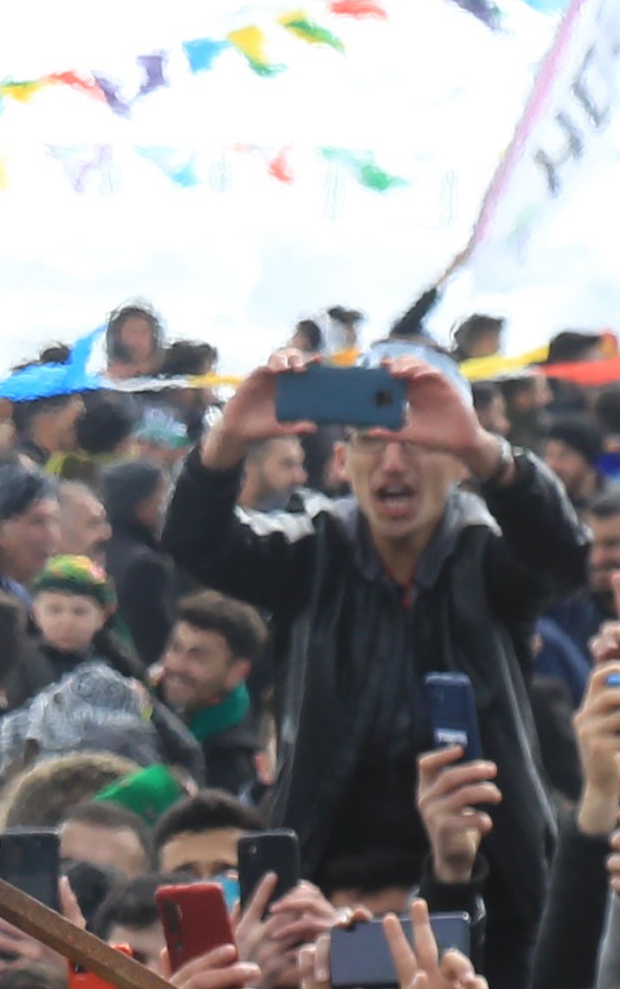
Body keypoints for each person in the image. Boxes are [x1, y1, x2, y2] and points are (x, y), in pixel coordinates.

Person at [169, 349, 577, 933]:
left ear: (458, 459)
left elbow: (562, 556)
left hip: (492, 874)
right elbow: (199, 544)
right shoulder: (311, 551)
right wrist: (227, 440)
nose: (393, 463)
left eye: (418, 440)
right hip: (323, 878)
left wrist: (489, 452)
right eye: (371, 442)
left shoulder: (486, 556)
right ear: (340, 461)